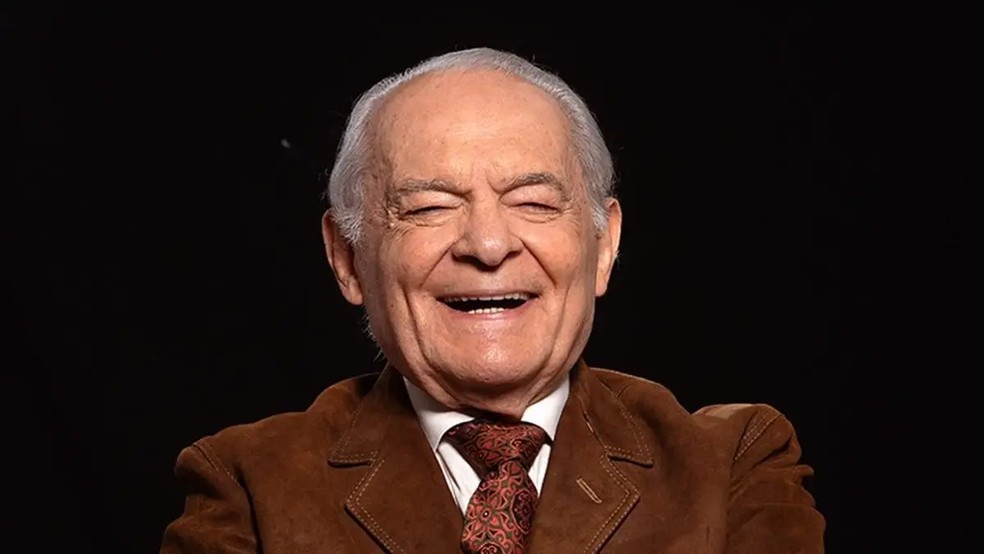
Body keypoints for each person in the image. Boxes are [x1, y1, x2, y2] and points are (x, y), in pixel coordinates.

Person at [160, 47, 825, 553]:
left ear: (604, 245)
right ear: (348, 258)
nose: (487, 243)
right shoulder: (249, 485)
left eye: (533, 202)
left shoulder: (731, 464)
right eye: (429, 207)